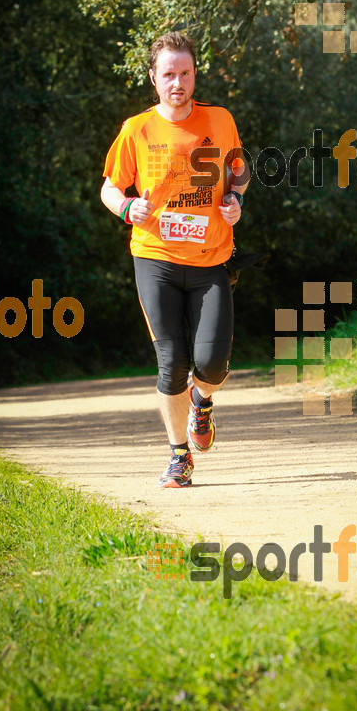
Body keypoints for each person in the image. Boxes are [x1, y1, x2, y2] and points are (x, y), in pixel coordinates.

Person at [101, 31, 249, 488]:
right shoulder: (136, 129)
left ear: (194, 74)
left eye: (184, 73)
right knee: (172, 360)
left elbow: (238, 174)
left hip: (210, 261)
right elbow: (109, 187)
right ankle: (178, 457)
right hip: (155, 257)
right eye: (168, 74)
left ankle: (201, 404)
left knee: (213, 365)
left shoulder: (220, 120)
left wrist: (235, 201)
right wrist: (127, 207)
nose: (177, 82)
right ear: (153, 77)